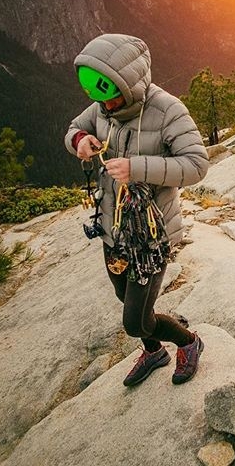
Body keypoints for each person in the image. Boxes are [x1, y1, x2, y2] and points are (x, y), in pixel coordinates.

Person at [65, 33, 209, 387]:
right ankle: (154, 351)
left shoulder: (168, 110)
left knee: (135, 320)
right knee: (122, 294)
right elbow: (74, 128)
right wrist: (80, 142)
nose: (105, 107)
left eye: (111, 97)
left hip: (150, 237)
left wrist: (137, 168)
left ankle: (188, 343)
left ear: (128, 85)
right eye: (98, 98)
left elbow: (196, 165)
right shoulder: (101, 107)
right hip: (113, 230)